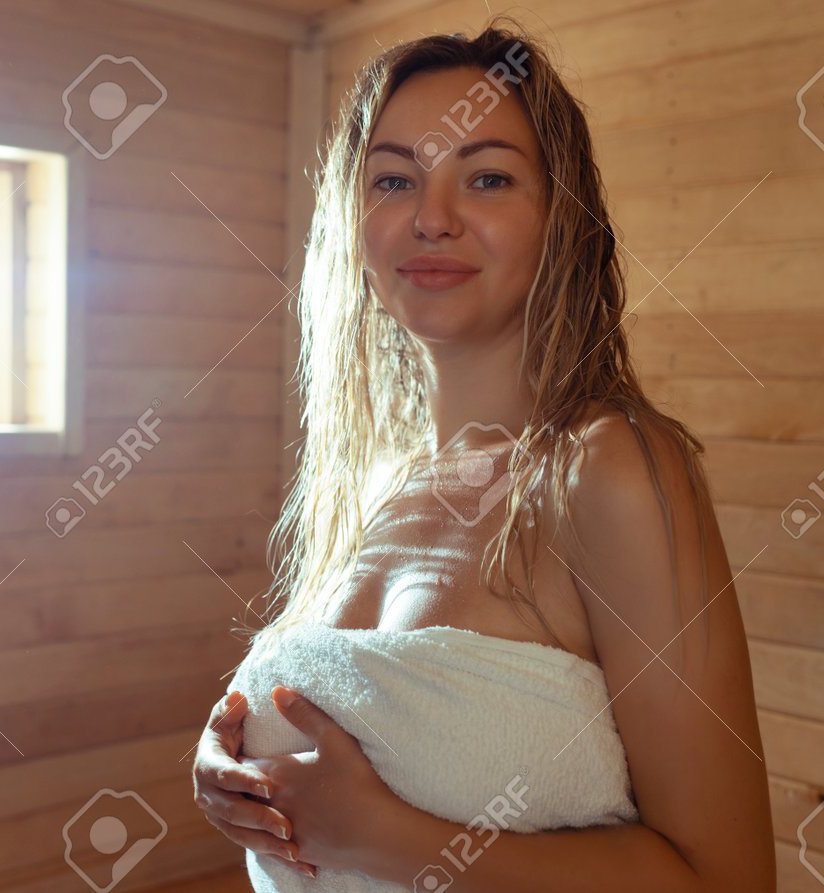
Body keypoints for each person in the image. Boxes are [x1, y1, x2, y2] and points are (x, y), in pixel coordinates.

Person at [192, 16, 776, 892]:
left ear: (561, 218)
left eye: (488, 178)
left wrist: (383, 836)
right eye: (394, 180)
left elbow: (728, 878)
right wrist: (234, 767)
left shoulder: (608, 472)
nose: (431, 218)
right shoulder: (371, 479)